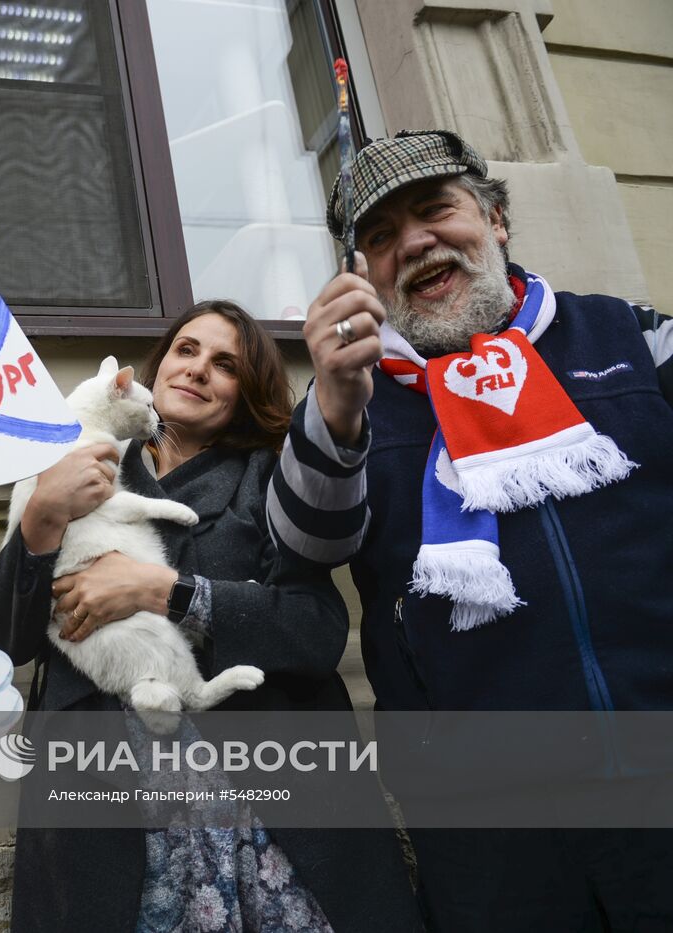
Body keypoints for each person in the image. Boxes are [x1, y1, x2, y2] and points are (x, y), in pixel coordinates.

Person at [268, 129, 673, 931]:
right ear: (364, 276)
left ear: (495, 219)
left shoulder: (629, 336)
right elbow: (299, 548)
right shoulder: (353, 394)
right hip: (485, 829)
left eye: (434, 211)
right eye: (380, 237)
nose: (413, 244)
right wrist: (336, 407)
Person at [0, 300, 422, 932]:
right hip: (112, 807)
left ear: (245, 395)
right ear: (154, 370)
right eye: (184, 351)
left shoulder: (274, 481)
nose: (195, 371)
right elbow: (8, 639)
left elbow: (316, 630)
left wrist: (162, 590)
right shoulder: (79, 465)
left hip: (264, 810)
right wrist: (42, 515)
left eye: (224, 365)